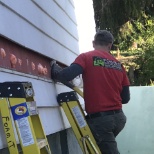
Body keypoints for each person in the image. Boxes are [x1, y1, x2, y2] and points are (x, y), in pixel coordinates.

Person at [51, 30, 130, 154]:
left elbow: (66, 75)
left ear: (93, 43)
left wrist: (56, 71)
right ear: (110, 45)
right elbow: (125, 98)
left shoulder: (86, 58)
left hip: (101, 121)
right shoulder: (119, 65)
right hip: (119, 119)